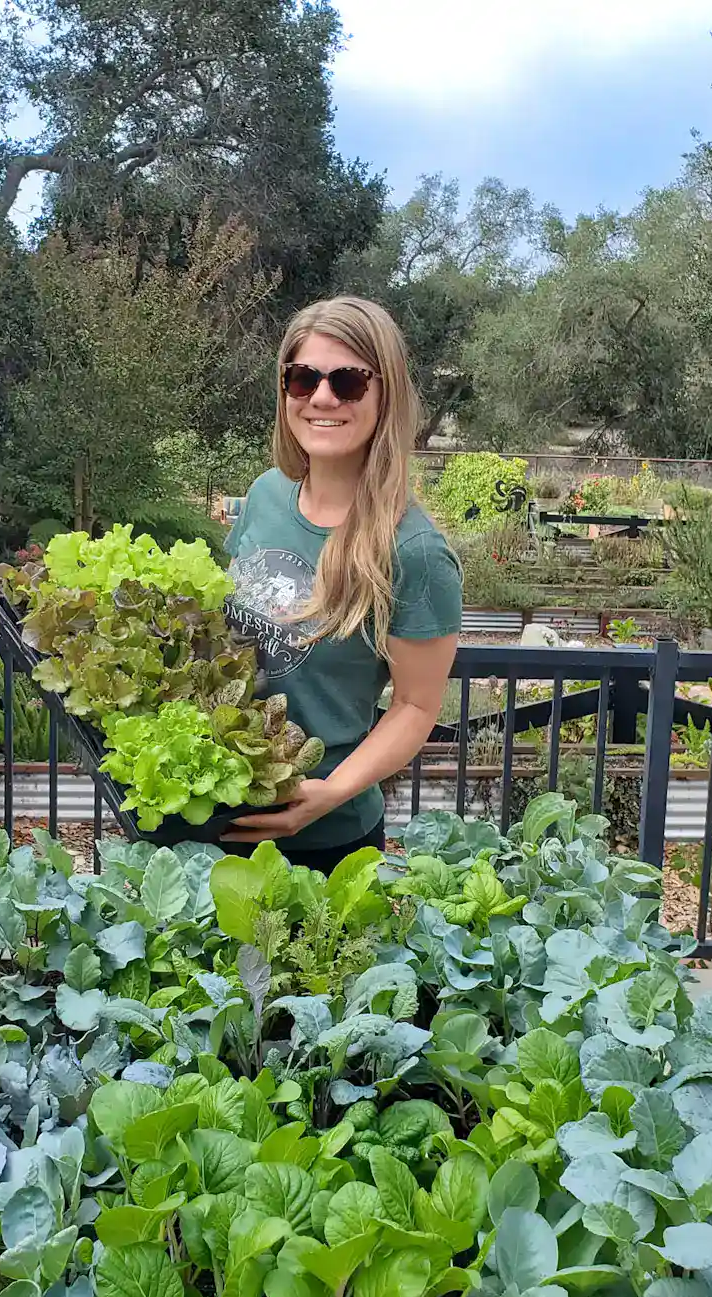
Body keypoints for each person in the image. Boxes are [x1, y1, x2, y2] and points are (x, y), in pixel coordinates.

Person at [222, 296, 462, 873]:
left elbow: (415, 705)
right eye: (302, 379)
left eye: (348, 382)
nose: (321, 398)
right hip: (215, 816)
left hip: (325, 845)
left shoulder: (415, 551)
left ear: (385, 395)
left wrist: (330, 793)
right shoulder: (265, 496)